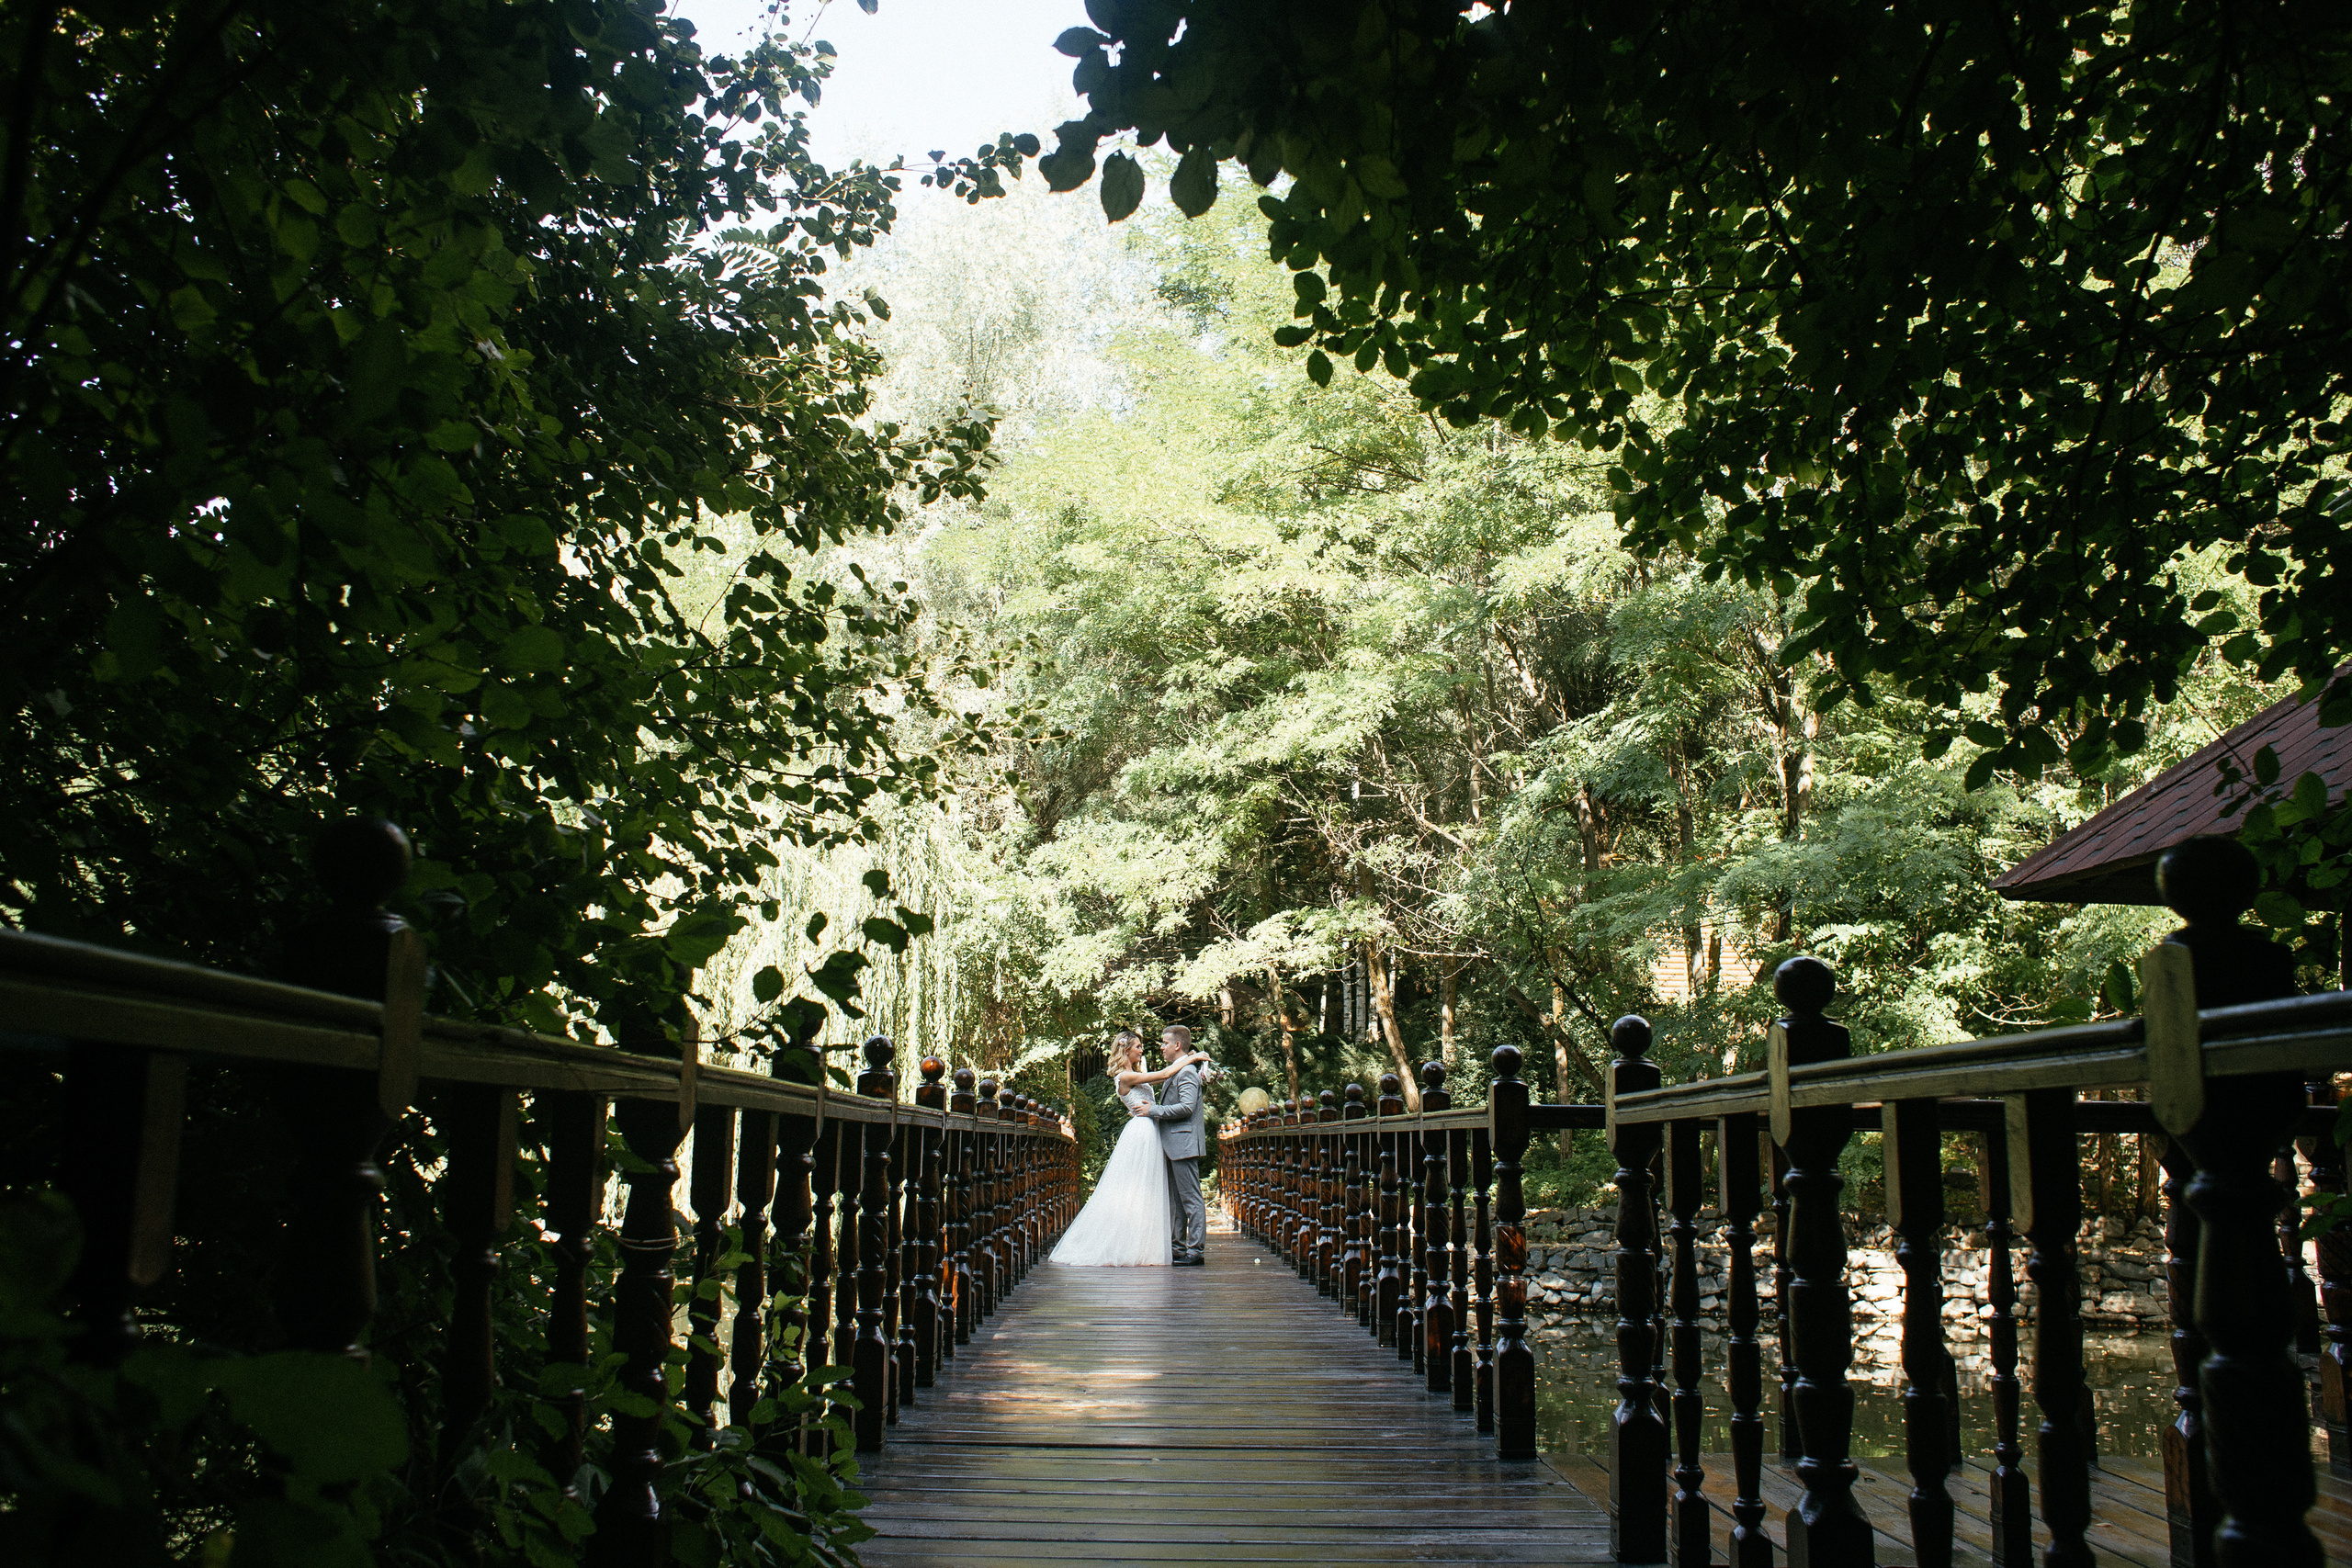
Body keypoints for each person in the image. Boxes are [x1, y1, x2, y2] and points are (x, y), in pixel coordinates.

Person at [1048, 1029, 1212, 1267]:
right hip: (1144, 1131)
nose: (1142, 1050)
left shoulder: (1138, 1074)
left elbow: (1165, 1079)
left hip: (1156, 1131)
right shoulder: (1125, 1076)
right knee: (1140, 1190)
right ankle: (1163, 1245)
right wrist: (1193, 1058)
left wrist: (1188, 1063)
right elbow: (1165, 1073)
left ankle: (1179, 1248)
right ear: (1125, 1050)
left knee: (1162, 1192)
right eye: (1138, 1047)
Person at [1132, 1023, 1208, 1266]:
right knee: (1176, 1201)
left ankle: (1195, 1251)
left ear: (1177, 1045)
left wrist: (1153, 1110)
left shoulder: (1186, 1073)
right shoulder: (1179, 1069)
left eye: (1164, 1043)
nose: (1161, 1047)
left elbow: (1186, 1107)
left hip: (1183, 1143)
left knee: (1191, 1199)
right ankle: (1177, 1248)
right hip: (1174, 1144)